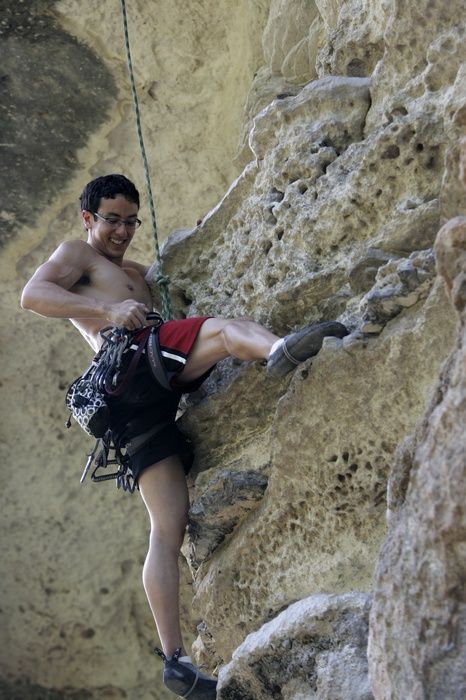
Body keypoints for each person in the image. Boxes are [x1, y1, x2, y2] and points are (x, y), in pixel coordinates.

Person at [21, 174, 348, 699]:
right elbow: (32, 295)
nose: (123, 230)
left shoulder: (133, 271)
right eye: (112, 219)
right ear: (88, 219)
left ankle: (174, 659)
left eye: (131, 221)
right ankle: (277, 350)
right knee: (218, 329)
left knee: (168, 524)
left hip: (137, 407)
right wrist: (108, 311)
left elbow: (175, 266)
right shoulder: (77, 258)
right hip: (130, 363)